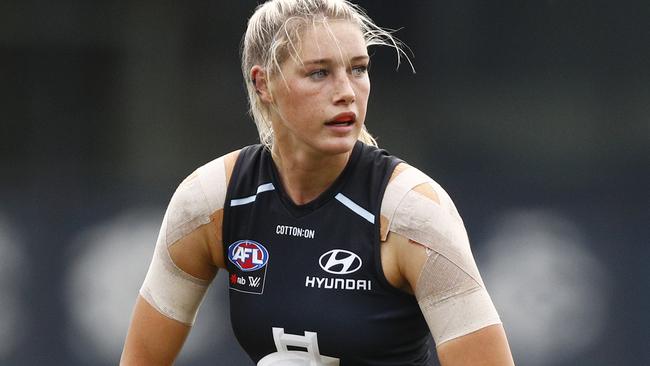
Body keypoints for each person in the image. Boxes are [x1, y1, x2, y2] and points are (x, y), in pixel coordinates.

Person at [121, 0, 515, 365]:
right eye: (319, 73)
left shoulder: (411, 213)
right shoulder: (212, 201)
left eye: (358, 69)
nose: (346, 92)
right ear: (263, 84)